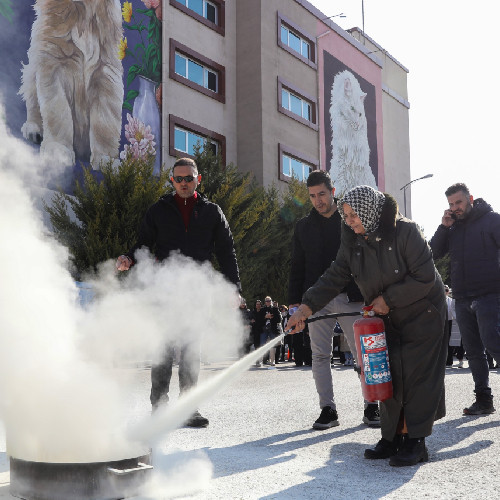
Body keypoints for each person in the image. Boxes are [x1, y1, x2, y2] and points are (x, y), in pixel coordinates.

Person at [287, 185, 448, 467]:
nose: (348, 221)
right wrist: (305, 308)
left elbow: (424, 277)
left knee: (414, 374)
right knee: (386, 371)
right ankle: (391, 437)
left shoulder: (406, 231)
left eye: (353, 215)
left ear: (369, 212)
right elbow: (336, 274)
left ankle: (415, 441)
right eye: (346, 216)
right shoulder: (351, 238)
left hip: (424, 311)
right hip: (387, 315)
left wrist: (388, 299)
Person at [116, 158, 240, 427]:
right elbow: (144, 244)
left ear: (199, 179)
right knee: (161, 349)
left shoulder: (212, 212)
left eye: (189, 178)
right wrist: (129, 258)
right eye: (178, 178)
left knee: (191, 350)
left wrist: (234, 288)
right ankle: (159, 407)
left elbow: (226, 252)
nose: (184, 183)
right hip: (164, 289)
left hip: (197, 291)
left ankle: (188, 408)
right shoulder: (159, 210)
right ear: (172, 180)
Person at [288, 170, 379, 430]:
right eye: (313, 196)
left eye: (322, 194)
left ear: (333, 192)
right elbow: (297, 266)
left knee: (361, 354)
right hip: (315, 301)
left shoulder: (349, 220)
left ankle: (371, 406)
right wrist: (295, 303)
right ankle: (328, 410)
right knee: (319, 356)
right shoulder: (303, 227)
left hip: (352, 296)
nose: (318, 200)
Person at [430, 183, 500, 415]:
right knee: (473, 351)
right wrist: (444, 226)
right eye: (451, 204)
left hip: (490, 295)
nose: (455, 208)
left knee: (494, 344)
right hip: (462, 297)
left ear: (469, 198)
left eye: (458, 202)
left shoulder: (492, 220)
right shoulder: (453, 228)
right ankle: (484, 400)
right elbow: (433, 253)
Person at [445, 286, 464, 368]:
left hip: (458, 322)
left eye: (446, 290)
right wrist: (457, 317)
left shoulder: (451, 299)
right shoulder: (454, 299)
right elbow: (452, 309)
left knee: (462, 342)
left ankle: (461, 360)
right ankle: (449, 361)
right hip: (452, 321)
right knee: (451, 341)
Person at [260, 296, 282, 368]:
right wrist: (265, 317)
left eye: (269, 301)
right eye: (266, 301)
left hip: (273, 329)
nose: (268, 302)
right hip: (264, 329)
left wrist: (271, 317)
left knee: (273, 344)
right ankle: (260, 361)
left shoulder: (275, 309)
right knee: (262, 345)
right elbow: (259, 320)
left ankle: (272, 361)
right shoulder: (262, 309)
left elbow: (279, 319)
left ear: (271, 301)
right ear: (265, 302)